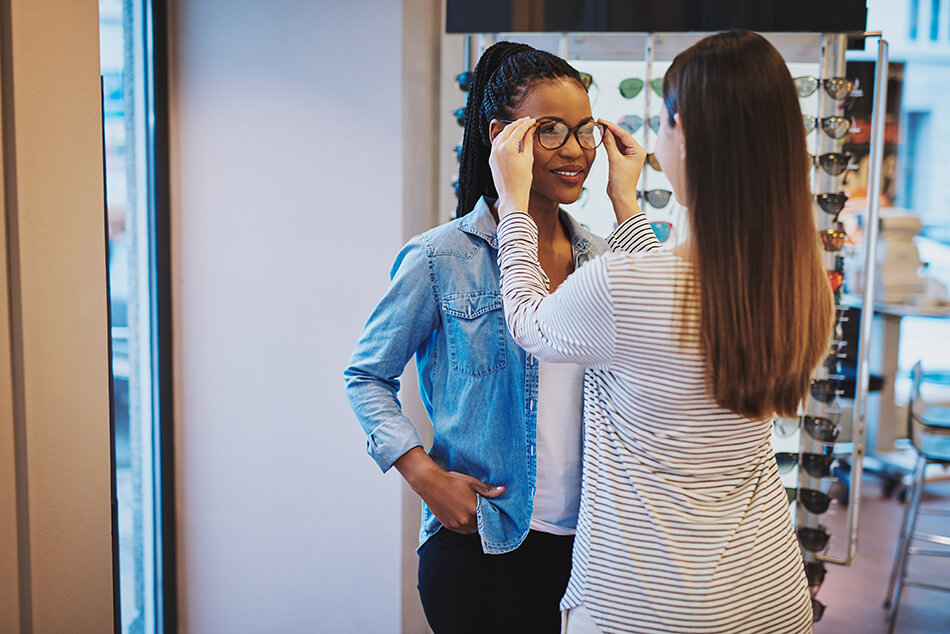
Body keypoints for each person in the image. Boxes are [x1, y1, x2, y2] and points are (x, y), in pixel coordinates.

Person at [491, 30, 833, 633]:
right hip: (767, 598)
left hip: (644, 603)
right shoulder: (796, 288)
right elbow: (661, 311)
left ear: (686, 135)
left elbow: (528, 320)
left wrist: (513, 206)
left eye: (666, 121)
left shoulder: (626, 286)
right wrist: (629, 209)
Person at [344, 41, 653, 633]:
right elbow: (366, 375)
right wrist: (425, 476)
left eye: (585, 130)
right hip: (482, 547)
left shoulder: (603, 257)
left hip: (594, 549)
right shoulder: (440, 257)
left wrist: (626, 202)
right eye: (551, 131)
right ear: (503, 137)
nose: (576, 152)